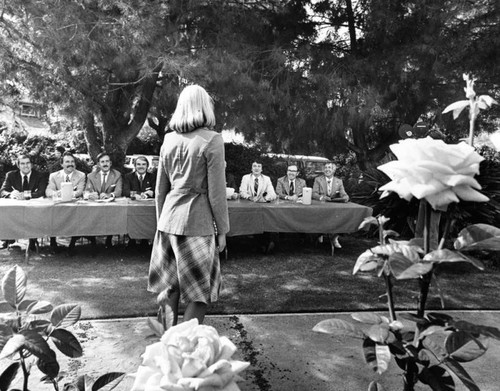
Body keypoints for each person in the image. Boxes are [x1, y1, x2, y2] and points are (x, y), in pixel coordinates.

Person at [148, 84, 229, 326]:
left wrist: (161, 223)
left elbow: (159, 190)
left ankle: (166, 348)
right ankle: (187, 351)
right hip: (197, 223)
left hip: (167, 222)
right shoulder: (213, 140)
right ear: (205, 107)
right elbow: (217, 194)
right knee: (198, 290)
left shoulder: (169, 139)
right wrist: (222, 230)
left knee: (168, 287)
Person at [0, 154, 48, 251]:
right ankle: (8, 237)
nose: (26, 166)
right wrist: (11, 194)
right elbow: (3, 191)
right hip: (15, 209)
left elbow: (41, 192)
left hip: (33, 208)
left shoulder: (40, 175)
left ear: (31, 164)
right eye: (22, 163)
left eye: (28, 163)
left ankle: (32, 239)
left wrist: (26, 195)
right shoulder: (11, 175)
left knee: (34, 214)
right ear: (18, 165)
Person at [46, 152, 87, 250]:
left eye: (72, 161)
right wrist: (56, 193)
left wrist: (69, 193)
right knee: (51, 215)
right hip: (58, 207)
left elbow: (80, 191)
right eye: (67, 161)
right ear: (62, 164)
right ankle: (53, 242)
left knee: (77, 217)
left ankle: (72, 244)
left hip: (74, 205)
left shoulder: (81, 175)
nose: (70, 164)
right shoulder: (54, 176)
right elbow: (48, 190)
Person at [86, 152, 123, 248]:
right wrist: (90, 194)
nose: (105, 164)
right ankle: (92, 240)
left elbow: (118, 191)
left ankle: (109, 239)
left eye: (107, 161)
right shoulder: (91, 176)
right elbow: (86, 191)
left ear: (110, 163)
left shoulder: (117, 175)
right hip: (95, 207)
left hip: (110, 206)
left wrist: (109, 195)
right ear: (98, 164)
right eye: (102, 162)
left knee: (112, 213)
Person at [312, 162, 349, 249]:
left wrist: (346, 197)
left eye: (329, 168)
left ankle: (335, 237)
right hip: (321, 206)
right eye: (325, 168)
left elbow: (343, 194)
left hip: (334, 207)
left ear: (334, 170)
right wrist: (322, 197)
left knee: (342, 217)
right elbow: (314, 193)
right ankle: (319, 234)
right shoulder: (318, 180)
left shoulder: (339, 181)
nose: (327, 169)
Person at [123, 155, 156, 248]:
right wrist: (135, 194)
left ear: (147, 166)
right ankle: (131, 239)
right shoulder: (128, 177)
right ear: (135, 166)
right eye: (138, 164)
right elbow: (125, 191)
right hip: (133, 205)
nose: (141, 166)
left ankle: (145, 240)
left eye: (143, 164)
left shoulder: (153, 177)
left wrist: (151, 192)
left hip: (148, 206)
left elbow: (157, 190)